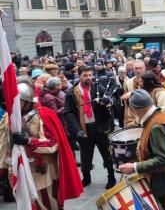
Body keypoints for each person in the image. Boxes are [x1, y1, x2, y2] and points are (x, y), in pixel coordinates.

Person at [6, 82, 83, 210]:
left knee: (46, 204)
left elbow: (52, 144)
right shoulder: (9, 117)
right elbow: (5, 145)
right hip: (19, 168)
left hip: (41, 169)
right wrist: (3, 169)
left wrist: (29, 141)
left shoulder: (41, 116)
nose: (17, 103)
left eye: (20, 100)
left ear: (27, 101)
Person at [118, 89, 165, 210]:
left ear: (136, 109)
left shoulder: (156, 125)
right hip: (159, 180)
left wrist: (134, 167)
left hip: (160, 184)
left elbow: (164, 159)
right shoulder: (158, 116)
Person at [63, 65, 115, 188]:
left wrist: (107, 102)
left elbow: (111, 100)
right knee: (85, 155)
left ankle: (111, 177)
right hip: (83, 128)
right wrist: (77, 130)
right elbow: (68, 112)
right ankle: (86, 177)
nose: (88, 78)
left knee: (107, 153)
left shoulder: (97, 87)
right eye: (85, 75)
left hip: (99, 126)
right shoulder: (72, 92)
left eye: (90, 75)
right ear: (79, 76)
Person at [122, 59, 146, 126]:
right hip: (134, 116)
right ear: (133, 69)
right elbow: (126, 100)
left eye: (140, 68)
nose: (138, 71)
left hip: (147, 113)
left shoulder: (150, 80)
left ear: (144, 68)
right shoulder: (129, 82)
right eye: (136, 68)